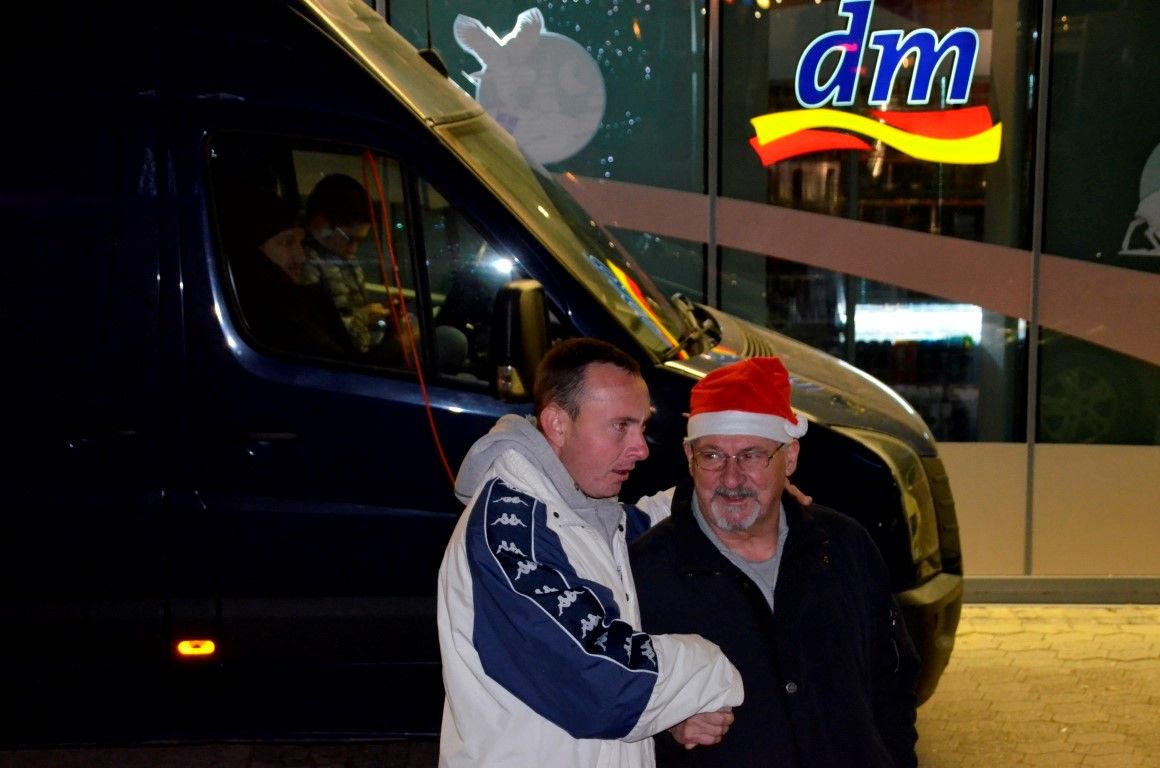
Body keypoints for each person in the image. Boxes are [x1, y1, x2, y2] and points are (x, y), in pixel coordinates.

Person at [437, 338, 744, 768]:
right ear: (557, 425)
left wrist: (738, 488)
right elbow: (603, 684)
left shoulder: (582, 508)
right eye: (621, 426)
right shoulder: (509, 530)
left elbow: (649, 522)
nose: (641, 448)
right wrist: (712, 669)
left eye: (642, 426)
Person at [630, 356, 920, 767]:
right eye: (713, 455)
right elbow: (623, 709)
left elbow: (894, 680)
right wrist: (667, 726)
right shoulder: (647, 573)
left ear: (791, 457)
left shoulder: (843, 548)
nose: (731, 479)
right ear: (689, 456)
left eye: (752, 455)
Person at [220, 187, 354, 357]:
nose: (301, 257)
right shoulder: (268, 322)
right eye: (286, 242)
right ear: (250, 251)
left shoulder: (304, 301)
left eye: (300, 242)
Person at [300, 173, 396, 354]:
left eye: (360, 241)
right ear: (321, 224)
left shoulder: (340, 256)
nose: (354, 249)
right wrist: (363, 318)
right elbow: (325, 333)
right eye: (350, 238)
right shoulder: (302, 263)